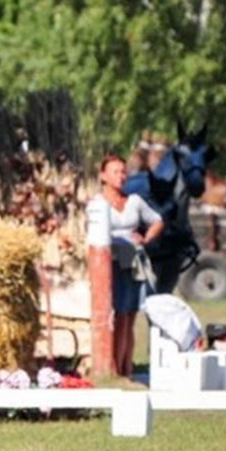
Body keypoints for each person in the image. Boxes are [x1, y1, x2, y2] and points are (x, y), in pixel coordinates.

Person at [90, 153, 164, 378]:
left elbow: (158, 221)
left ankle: (126, 368)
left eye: (124, 172)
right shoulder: (97, 204)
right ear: (103, 176)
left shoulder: (134, 201)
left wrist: (146, 238)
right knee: (115, 317)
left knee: (129, 318)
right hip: (110, 265)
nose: (122, 176)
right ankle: (111, 367)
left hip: (133, 265)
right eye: (116, 171)